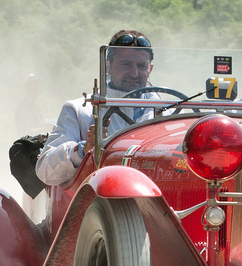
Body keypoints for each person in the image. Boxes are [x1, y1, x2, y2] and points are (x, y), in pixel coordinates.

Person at [35, 30, 159, 186]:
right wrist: (84, 148)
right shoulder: (79, 110)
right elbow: (45, 171)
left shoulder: (170, 108)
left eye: (141, 65)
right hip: (99, 203)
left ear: (150, 69)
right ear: (107, 66)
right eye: (126, 64)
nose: (134, 73)